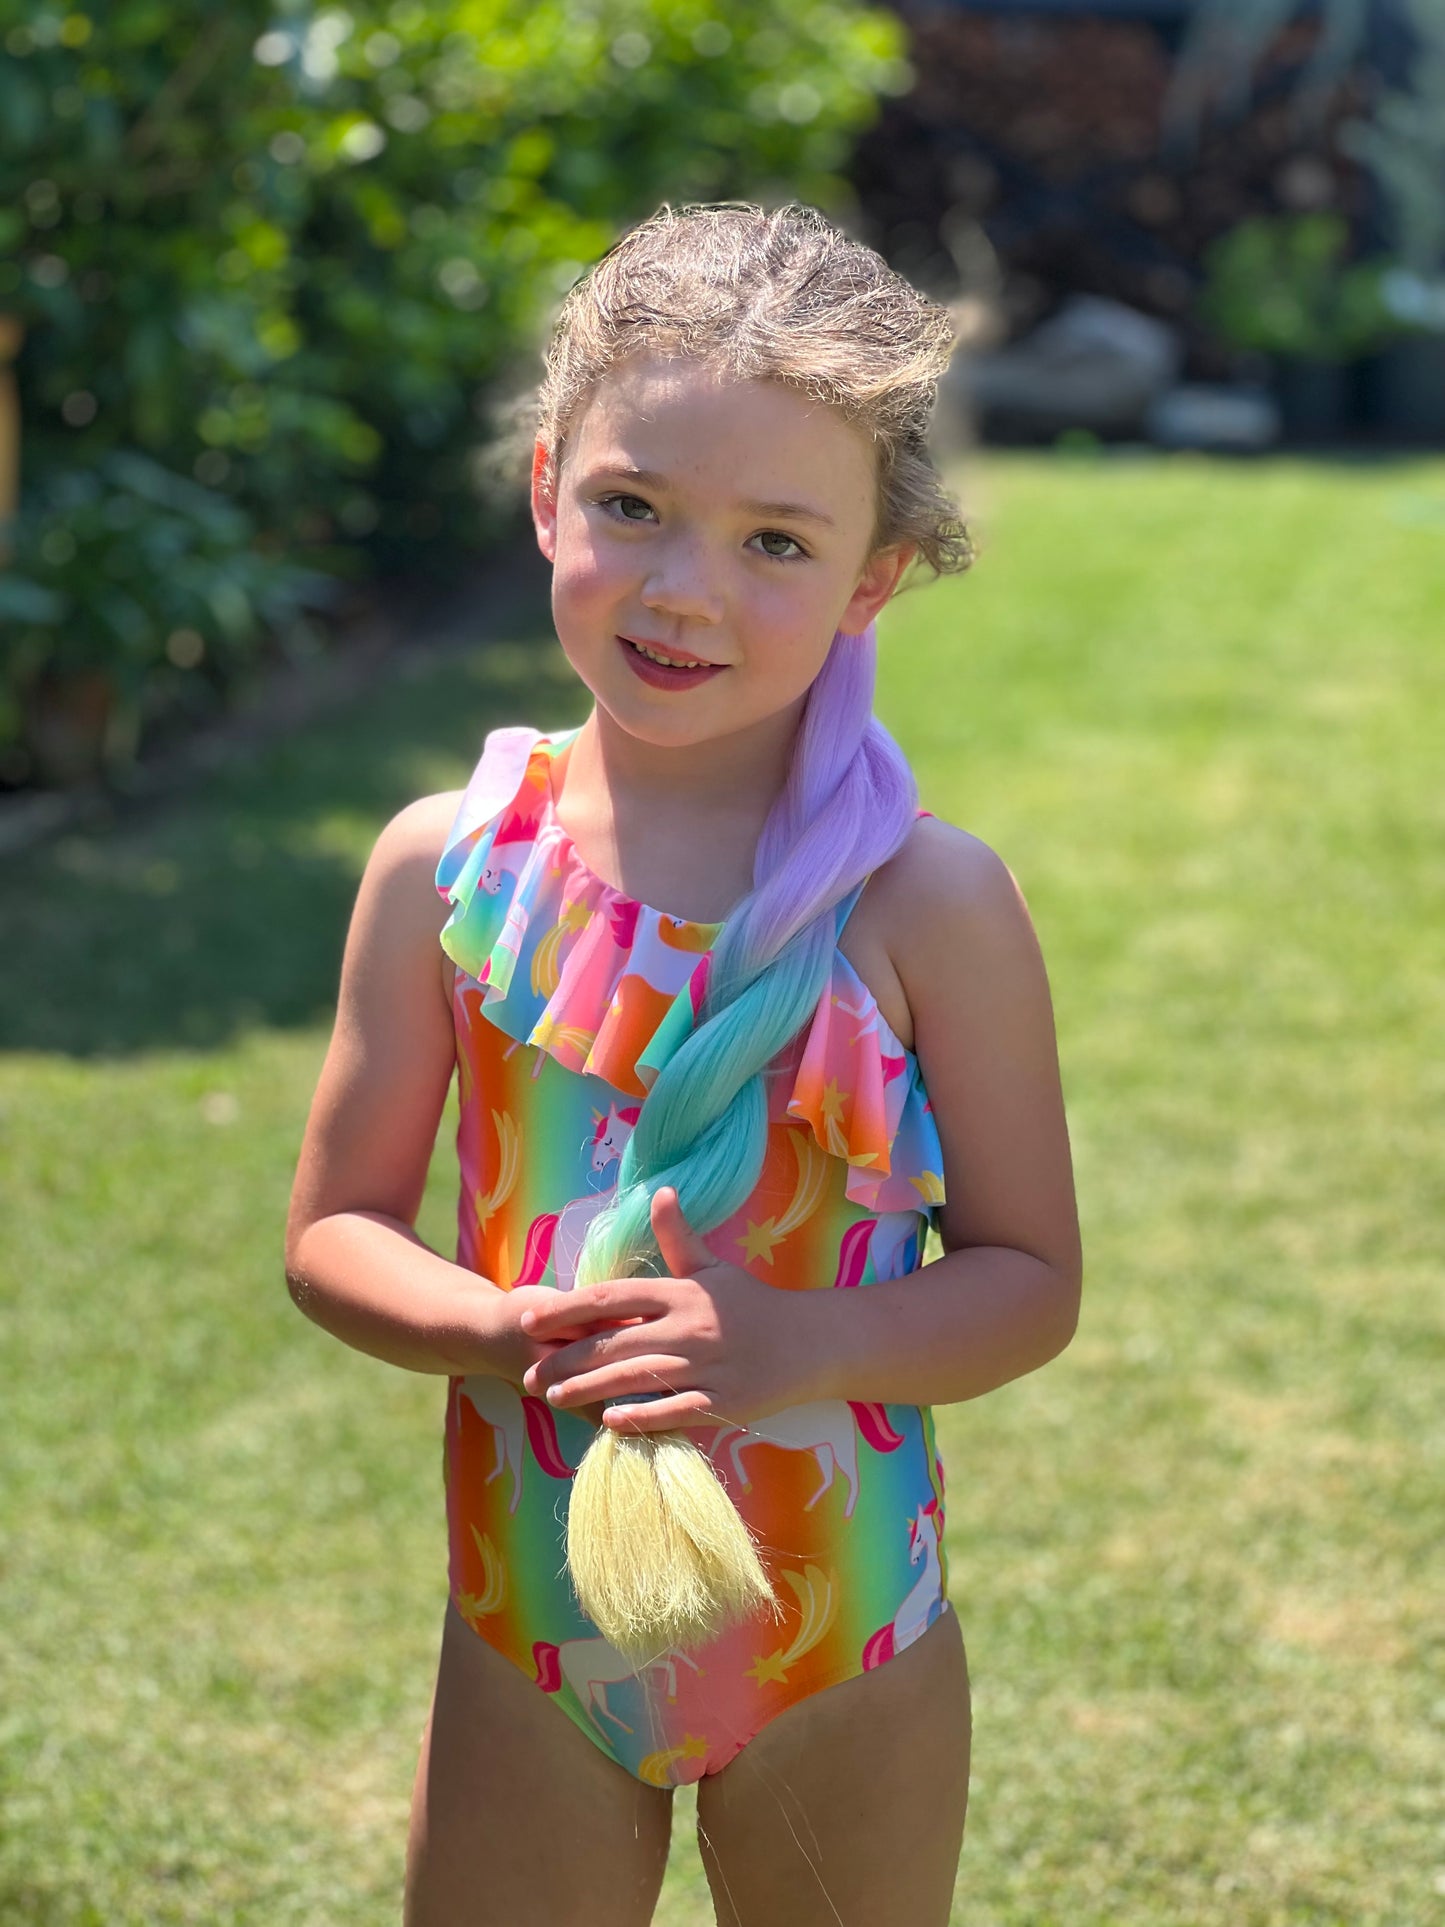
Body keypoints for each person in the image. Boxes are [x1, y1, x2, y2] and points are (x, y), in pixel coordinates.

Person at [284, 202, 1081, 1927]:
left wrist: (797, 1339)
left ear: (876, 574)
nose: (682, 588)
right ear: (544, 484)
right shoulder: (454, 868)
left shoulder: (925, 907)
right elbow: (332, 1234)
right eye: (632, 506)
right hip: (527, 1615)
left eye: (774, 542)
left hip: (838, 1627)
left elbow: (1026, 1284)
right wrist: (490, 1330)